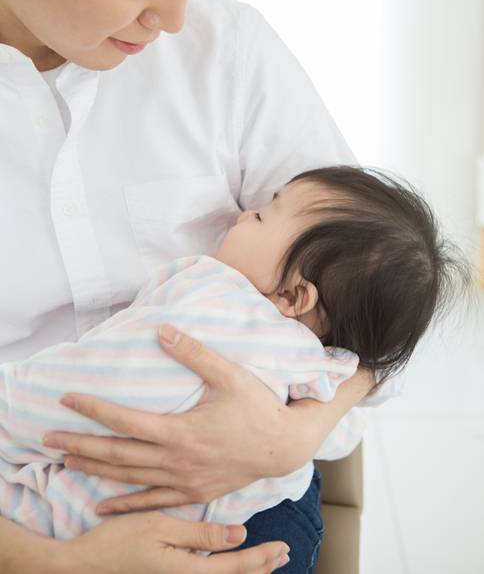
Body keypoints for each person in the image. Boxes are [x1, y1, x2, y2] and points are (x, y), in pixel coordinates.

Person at [0, 0, 387, 572]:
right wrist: (52, 563)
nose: (175, 17)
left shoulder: (227, 50)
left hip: (242, 497)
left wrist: (294, 435)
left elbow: (386, 291)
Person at [0, 166, 466, 542]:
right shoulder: (325, 369)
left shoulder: (215, 321)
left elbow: (82, 390)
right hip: (211, 530)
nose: (243, 216)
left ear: (292, 298)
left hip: (73, 513)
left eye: (261, 217)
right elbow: (346, 428)